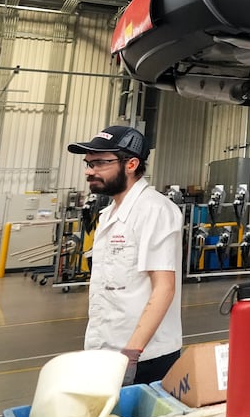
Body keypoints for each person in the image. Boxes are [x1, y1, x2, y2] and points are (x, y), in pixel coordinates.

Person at [70, 125, 182, 385]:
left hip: (145, 359)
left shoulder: (154, 210)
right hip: (106, 351)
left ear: (131, 164)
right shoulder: (109, 214)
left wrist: (132, 353)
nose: (89, 171)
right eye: (88, 163)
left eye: (99, 163)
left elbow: (164, 288)